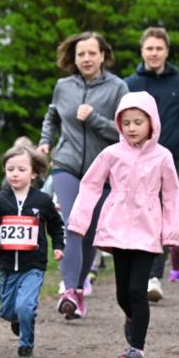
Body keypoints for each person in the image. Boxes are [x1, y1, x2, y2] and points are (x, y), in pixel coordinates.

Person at [67, 91, 179, 358]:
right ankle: (133, 318)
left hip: (147, 229)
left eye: (138, 122)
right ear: (119, 124)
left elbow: (171, 195)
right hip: (117, 228)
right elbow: (91, 184)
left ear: (151, 123)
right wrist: (80, 221)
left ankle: (137, 350)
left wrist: (171, 233)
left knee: (136, 291)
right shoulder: (111, 153)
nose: (132, 128)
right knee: (122, 295)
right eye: (127, 122)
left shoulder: (163, 156)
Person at [37, 32, 127, 320]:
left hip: (101, 169)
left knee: (90, 232)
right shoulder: (63, 86)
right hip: (66, 163)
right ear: (73, 59)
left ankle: (78, 286)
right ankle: (71, 291)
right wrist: (45, 140)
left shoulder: (117, 88)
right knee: (72, 224)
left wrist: (95, 119)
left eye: (91, 53)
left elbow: (126, 131)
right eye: (81, 54)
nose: (86, 59)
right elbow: (52, 115)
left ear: (103, 55)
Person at [125, 27, 179, 303]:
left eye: (159, 48)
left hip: (165, 161)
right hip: (132, 163)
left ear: (167, 51)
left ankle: (153, 276)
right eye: (149, 48)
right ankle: (133, 270)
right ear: (142, 51)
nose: (154, 53)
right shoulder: (130, 84)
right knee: (133, 217)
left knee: (157, 218)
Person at [0, 144, 64, 358]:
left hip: (33, 265)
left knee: (25, 307)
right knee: (8, 311)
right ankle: (17, 319)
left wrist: (59, 246)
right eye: (10, 169)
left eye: (21, 169)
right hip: (7, 266)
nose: (15, 174)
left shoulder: (43, 201)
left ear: (34, 173)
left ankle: (26, 346)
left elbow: (56, 226)